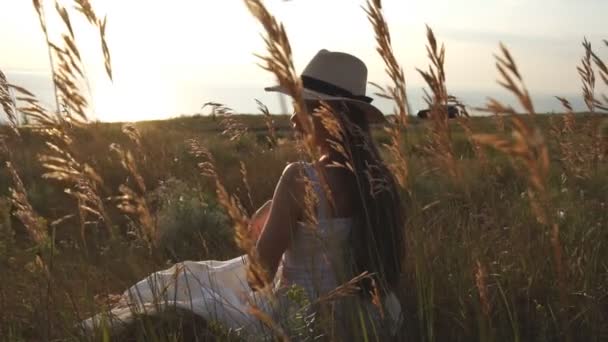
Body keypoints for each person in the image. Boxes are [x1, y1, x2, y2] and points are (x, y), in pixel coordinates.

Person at [82, 50, 404, 341]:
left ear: (325, 114)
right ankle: (127, 305)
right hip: (369, 321)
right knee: (207, 276)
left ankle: (115, 317)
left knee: (197, 286)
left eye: (300, 107)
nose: (292, 118)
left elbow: (257, 277)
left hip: (302, 321)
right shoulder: (381, 182)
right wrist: (275, 206)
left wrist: (260, 228)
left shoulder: (299, 178)